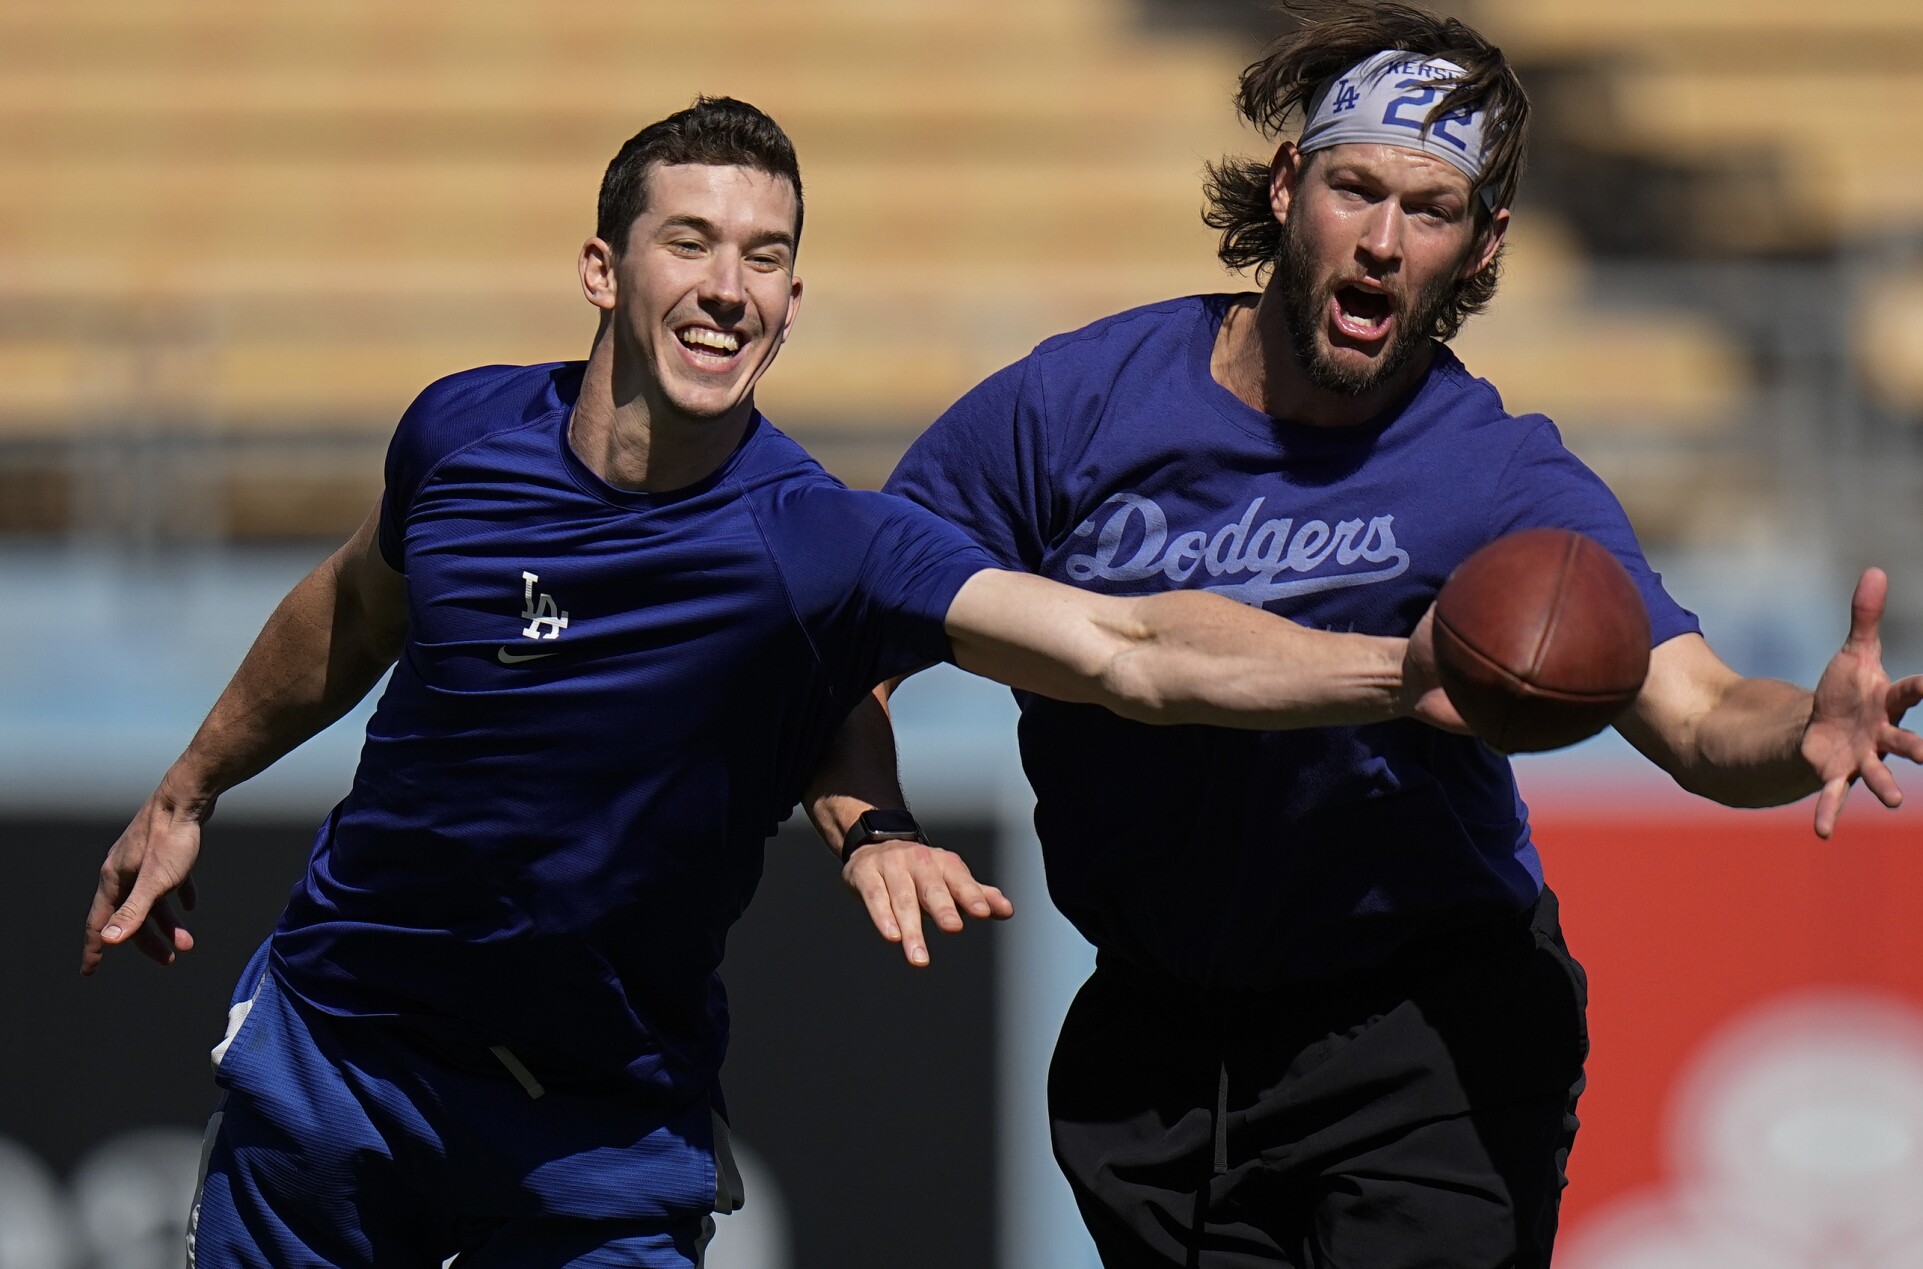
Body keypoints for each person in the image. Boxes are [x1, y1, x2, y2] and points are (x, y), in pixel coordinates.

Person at [79, 97, 1483, 1269]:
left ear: (793, 302)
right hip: (343, 1060)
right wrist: (189, 786)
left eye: (766, 255)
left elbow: (1129, 648)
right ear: (601, 269)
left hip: (600, 1129)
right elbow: (350, 606)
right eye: (689, 241)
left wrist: (1405, 666)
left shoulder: (817, 540)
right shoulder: (457, 433)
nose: (728, 285)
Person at [826, 0, 1923, 1268]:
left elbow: (1691, 712)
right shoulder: (1070, 410)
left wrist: (1804, 728)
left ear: (1480, 246)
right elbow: (850, 632)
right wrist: (874, 824)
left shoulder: (1499, 481)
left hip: (1426, 1036)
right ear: (1289, 185)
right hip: (1153, 1047)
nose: (1381, 243)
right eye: (1356, 191)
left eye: (1430, 211)